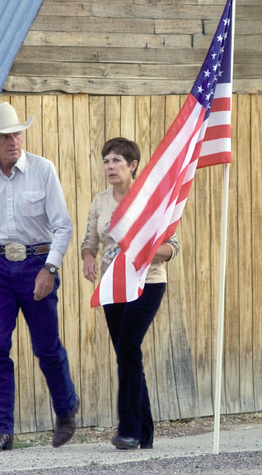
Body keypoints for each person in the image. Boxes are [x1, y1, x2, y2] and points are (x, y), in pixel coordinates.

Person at [0, 102, 79, 452]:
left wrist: (50, 267)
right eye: (5, 136)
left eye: (17, 133)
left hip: (37, 263)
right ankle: (1, 430)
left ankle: (65, 410)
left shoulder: (43, 170)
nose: (13, 140)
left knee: (46, 348)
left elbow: (63, 225)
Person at [81, 137, 179, 450]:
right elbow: (90, 241)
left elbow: (172, 248)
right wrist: (88, 257)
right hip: (113, 285)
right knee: (127, 353)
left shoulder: (152, 201)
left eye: (117, 161)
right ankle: (144, 433)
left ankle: (127, 428)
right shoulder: (100, 201)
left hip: (147, 282)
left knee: (127, 346)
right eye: (106, 161)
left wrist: (144, 249)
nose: (110, 166)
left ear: (132, 165)